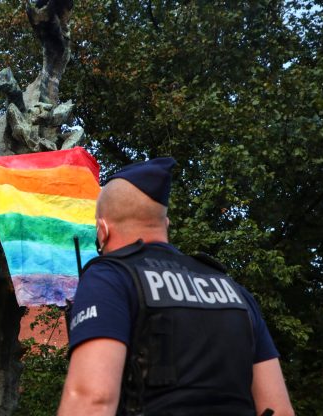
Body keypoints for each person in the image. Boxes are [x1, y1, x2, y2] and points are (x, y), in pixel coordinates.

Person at [58, 157, 294, 416]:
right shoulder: (235, 291)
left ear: (102, 230)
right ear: (166, 224)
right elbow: (279, 410)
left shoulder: (110, 278)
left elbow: (92, 400)